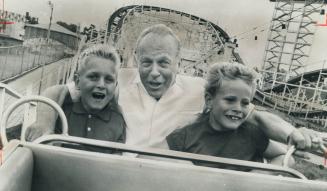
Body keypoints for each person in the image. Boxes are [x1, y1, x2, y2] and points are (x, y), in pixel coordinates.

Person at [26, 24, 320, 153]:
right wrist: (41, 124)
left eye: (164, 63)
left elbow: (255, 114)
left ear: (178, 62)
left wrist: (293, 133)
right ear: (136, 59)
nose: (154, 72)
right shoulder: (117, 81)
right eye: (148, 62)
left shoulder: (199, 89)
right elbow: (56, 93)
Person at [166, 62, 291, 170]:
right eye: (230, 100)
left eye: (245, 103)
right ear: (209, 100)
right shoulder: (184, 136)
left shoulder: (252, 133)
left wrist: (261, 173)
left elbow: (285, 158)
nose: (238, 109)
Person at [26, 44, 126, 145]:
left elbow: (116, 159)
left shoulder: (117, 121)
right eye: (93, 77)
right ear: (77, 81)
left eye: (109, 80)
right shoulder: (61, 112)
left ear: (115, 86)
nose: (101, 85)